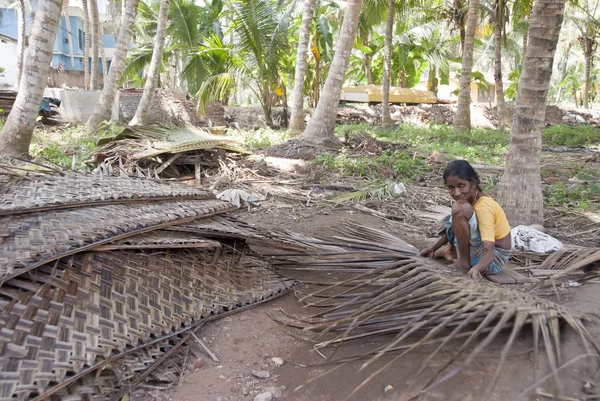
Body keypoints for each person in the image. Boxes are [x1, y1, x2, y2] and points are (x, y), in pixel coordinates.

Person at [420, 160, 512, 279]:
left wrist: (477, 268)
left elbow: (489, 253)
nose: (456, 193)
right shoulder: (470, 200)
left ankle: (463, 263)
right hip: (481, 251)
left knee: (459, 209)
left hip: (494, 259)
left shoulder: (484, 207)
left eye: (461, 185)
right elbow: (455, 226)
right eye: (451, 188)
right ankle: (449, 251)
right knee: (452, 217)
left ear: (473, 183)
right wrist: (432, 248)